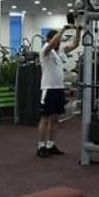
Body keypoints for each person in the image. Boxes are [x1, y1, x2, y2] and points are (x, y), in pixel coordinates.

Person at [37, 23, 81, 157]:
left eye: (59, 41)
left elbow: (75, 44)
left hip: (58, 89)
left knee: (55, 118)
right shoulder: (45, 50)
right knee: (45, 118)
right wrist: (63, 30)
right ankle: (41, 146)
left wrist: (78, 31)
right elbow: (52, 44)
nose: (59, 42)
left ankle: (50, 144)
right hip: (48, 88)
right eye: (57, 40)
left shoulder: (60, 52)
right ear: (49, 39)